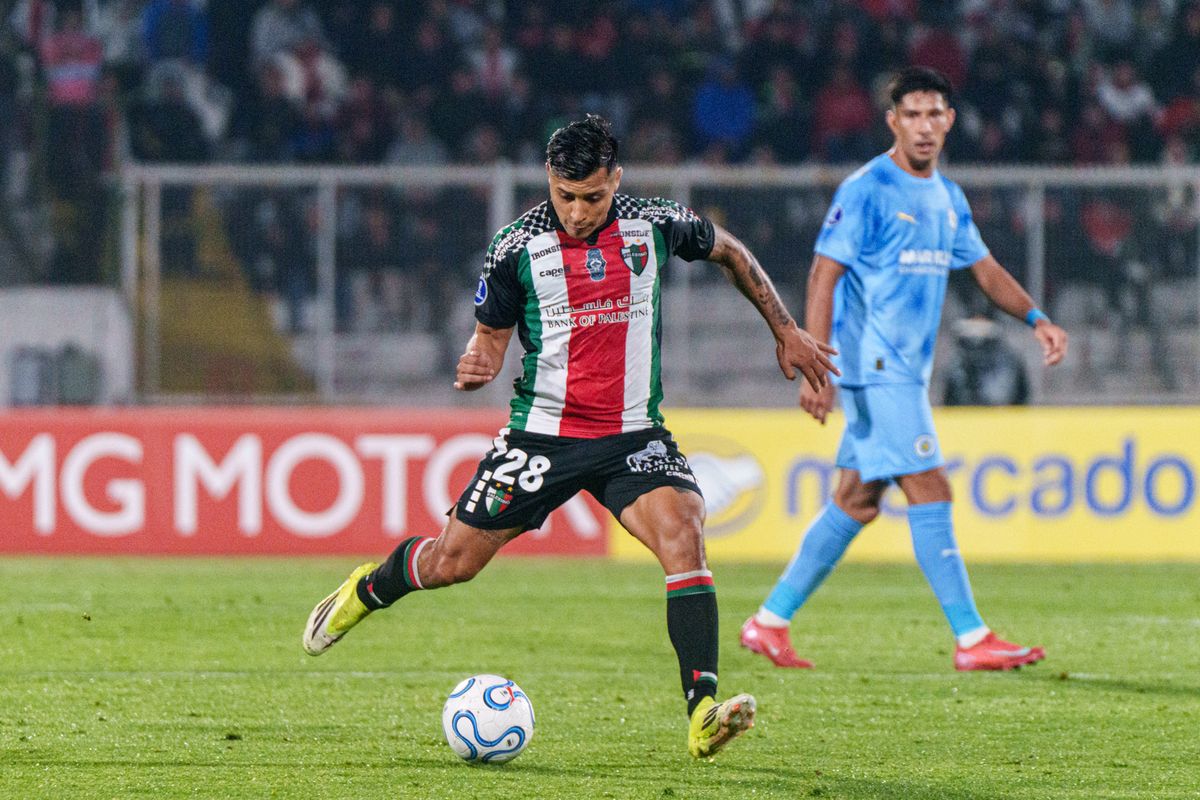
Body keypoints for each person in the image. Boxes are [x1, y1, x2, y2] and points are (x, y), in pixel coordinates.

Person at [302, 115, 838, 758]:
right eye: (565, 196)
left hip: (633, 435)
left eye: (592, 196)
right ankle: (368, 588)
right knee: (453, 563)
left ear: (615, 180)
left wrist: (785, 329)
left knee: (685, 534)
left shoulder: (655, 223)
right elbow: (491, 337)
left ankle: (702, 712)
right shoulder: (515, 247)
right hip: (542, 439)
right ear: (548, 184)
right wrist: (480, 360)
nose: (578, 212)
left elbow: (731, 251)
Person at [740, 67, 1069, 672]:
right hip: (876, 366)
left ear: (949, 122)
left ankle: (769, 621)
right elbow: (824, 274)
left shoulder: (946, 198)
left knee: (857, 500)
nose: (923, 126)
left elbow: (986, 270)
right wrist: (818, 365)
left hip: (905, 371)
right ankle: (971, 638)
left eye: (933, 114)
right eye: (911, 115)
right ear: (892, 121)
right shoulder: (867, 188)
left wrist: (1037, 319)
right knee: (930, 486)